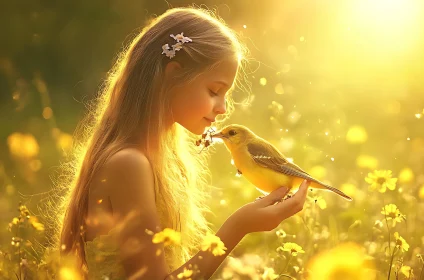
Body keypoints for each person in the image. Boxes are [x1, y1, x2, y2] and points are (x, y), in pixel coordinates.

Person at [51, 7, 310, 280]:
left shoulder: (158, 159)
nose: (223, 108)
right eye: (214, 91)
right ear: (173, 75)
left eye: (226, 94)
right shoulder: (129, 163)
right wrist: (237, 226)